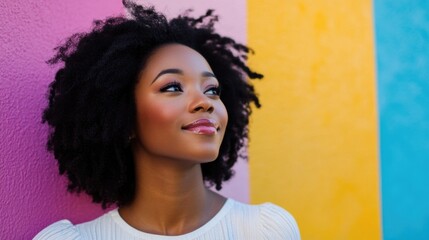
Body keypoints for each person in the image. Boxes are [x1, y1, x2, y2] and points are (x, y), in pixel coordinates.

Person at [34, 1, 300, 239]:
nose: (205, 102)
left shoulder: (264, 231)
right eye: (172, 87)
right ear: (123, 116)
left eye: (212, 90)